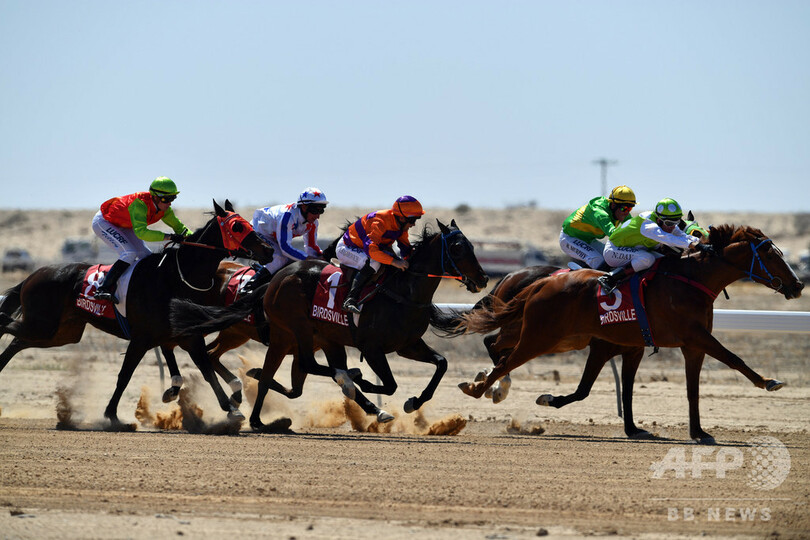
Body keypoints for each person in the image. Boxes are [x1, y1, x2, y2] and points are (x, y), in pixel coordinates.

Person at [91, 176, 190, 303]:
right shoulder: (140, 204)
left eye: (173, 198)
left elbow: (180, 228)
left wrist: (195, 240)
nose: (169, 203)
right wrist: (169, 237)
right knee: (129, 253)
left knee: (146, 256)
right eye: (167, 199)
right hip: (104, 222)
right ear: (155, 196)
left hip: (124, 224)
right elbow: (142, 233)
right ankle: (103, 289)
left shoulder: (165, 209)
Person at [597, 197, 711, 294]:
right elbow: (669, 239)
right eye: (669, 223)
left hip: (632, 249)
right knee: (647, 259)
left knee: (664, 261)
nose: (672, 227)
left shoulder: (664, 221)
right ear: (659, 219)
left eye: (676, 223)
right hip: (613, 251)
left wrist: (702, 243)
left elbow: (681, 235)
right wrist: (695, 245)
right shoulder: (648, 226)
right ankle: (610, 278)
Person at [336, 195, 424, 314]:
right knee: (374, 262)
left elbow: (405, 248)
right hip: (347, 248)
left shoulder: (401, 226)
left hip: (365, 248)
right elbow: (371, 251)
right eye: (413, 220)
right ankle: (350, 299)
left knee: (393, 261)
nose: (413, 224)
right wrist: (395, 262)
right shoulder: (378, 222)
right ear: (402, 218)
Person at [242, 187, 328, 293]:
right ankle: (249, 287)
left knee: (294, 260)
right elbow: (285, 248)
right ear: (304, 207)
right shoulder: (288, 216)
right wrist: (306, 258)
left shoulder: (313, 223)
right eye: (316, 210)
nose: (318, 216)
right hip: (260, 231)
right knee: (280, 258)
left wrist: (322, 257)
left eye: (322, 210)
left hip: (274, 236)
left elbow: (311, 247)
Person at [559, 185, 636, 270]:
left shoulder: (620, 211)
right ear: (613, 205)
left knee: (613, 258)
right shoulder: (599, 213)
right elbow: (614, 235)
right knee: (598, 260)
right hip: (569, 239)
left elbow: (633, 228)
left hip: (589, 240)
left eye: (630, 208)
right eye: (624, 208)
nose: (626, 212)